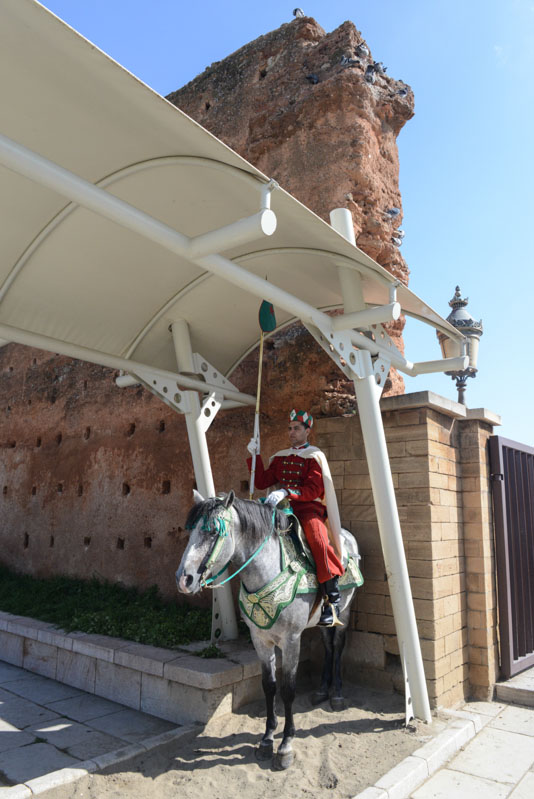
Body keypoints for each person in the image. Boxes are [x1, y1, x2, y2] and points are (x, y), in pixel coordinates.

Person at [247, 409, 345, 626]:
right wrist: (254, 455)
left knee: (318, 540)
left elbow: (312, 490)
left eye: (297, 428)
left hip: (308, 510)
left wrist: (286, 491)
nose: (291, 432)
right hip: (283, 509)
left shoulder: (314, 457)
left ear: (308, 431)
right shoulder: (281, 457)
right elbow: (262, 482)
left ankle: (332, 601)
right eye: (290, 428)